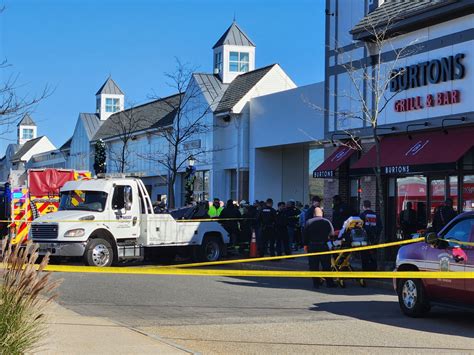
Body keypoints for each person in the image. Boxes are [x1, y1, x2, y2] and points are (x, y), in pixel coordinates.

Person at [304, 207, 336, 288]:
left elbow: (304, 234)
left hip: (312, 246)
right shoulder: (327, 222)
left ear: (314, 214)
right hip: (324, 246)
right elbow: (332, 234)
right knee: (326, 265)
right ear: (322, 213)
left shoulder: (308, 222)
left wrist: (305, 245)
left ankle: (316, 283)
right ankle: (329, 283)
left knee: (313, 265)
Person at [359, 200, 382, 271]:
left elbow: (359, 227)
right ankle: (373, 270)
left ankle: (365, 271)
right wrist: (376, 236)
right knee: (373, 256)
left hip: (364, 239)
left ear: (363, 206)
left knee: (364, 256)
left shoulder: (362, 215)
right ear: (370, 206)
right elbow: (380, 227)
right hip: (374, 239)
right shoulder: (376, 215)